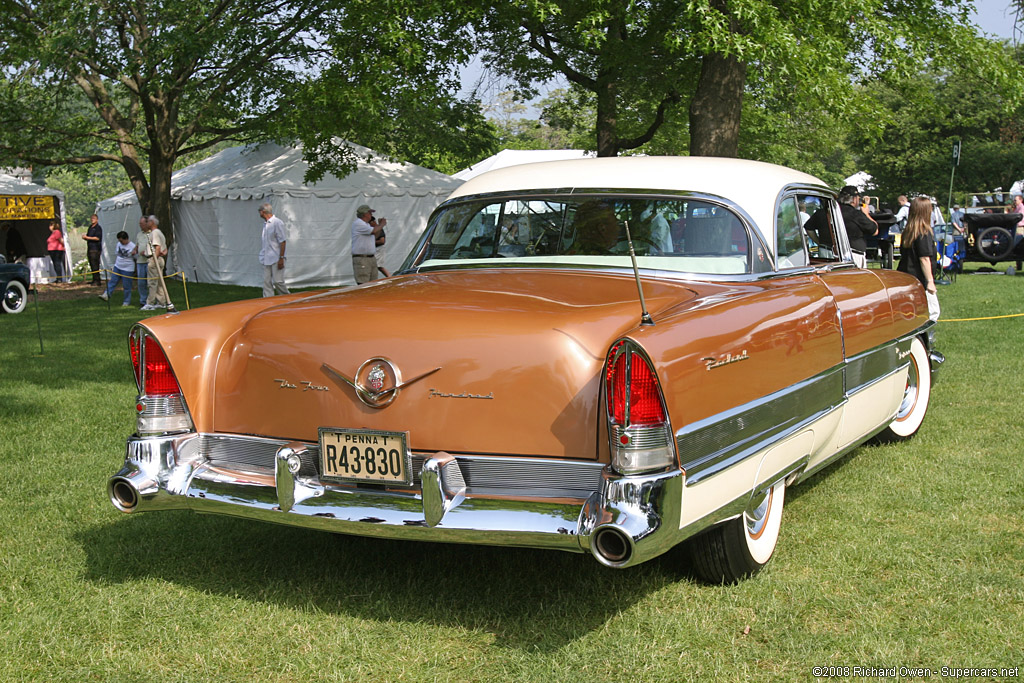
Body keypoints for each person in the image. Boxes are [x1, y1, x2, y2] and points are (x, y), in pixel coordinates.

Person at [897, 196, 939, 322]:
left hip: (906, 276)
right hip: (919, 279)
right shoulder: (923, 233)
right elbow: (924, 259)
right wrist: (930, 281)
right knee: (932, 312)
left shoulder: (908, 231)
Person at [838, 185, 877, 268]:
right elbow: (875, 231)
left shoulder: (828, 211)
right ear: (855, 199)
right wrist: (866, 213)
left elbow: (809, 228)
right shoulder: (856, 214)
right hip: (854, 255)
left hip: (829, 253)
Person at [258, 203, 289, 296]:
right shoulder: (266, 224)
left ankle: (287, 297)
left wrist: (281, 258)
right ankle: (268, 300)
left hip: (276, 257)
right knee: (266, 282)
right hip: (266, 257)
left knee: (278, 281)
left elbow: (282, 241)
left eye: (259, 212)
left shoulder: (277, 223)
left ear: (262, 212)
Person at [142, 215, 172, 310]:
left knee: (152, 281)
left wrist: (154, 258)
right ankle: (161, 301)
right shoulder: (160, 233)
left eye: (148, 221)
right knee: (159, 282)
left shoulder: (155, 233)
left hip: (154, 259)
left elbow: (157, 247)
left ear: (152, 222)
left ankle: (150, 303)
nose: (146, 223)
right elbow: (165, 248)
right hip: (159, 259)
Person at [99, 231, 136, 307]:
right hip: (118, 266)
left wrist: (134, 254)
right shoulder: (119, 244)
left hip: (128, 268)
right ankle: (107, 294)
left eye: (122, 241)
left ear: (126, 239)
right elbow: (117, 253)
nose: (121, 242)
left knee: (127, 286)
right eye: (119, 241)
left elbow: (136, 257)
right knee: (113, 281)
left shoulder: (132, 246)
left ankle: (126, 301)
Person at [351, 204, 386, 284]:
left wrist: (379, 226)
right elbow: (373, 231)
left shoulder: (366, 225)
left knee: (373, 283)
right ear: (364, 214)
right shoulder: (358, 223)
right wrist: (381, 224)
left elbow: (374, 235)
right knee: (363, 283)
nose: (371, 215)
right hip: (362, 259)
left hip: (370, 258)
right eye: (370, 213)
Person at [132, 215, 151, 305]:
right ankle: (143, 300)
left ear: (147, 223)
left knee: (151, 282)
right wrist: (134, 250)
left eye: (142, 224)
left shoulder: (152, 234)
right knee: (141, 282)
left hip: (149, 261)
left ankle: (151, 300)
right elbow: (137, 245)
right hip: (140, 261)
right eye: (140, 224)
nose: (140, 225)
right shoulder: (139, 234)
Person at [82, 213, 103, 285]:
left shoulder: (98, 228)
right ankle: (94, 279)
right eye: (91, 218)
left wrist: (87, 237)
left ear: (97, 220)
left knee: (95, 265)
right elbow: (89, 237)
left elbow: (97, 238)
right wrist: (85, 238)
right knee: (92, 264)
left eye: (94, 218)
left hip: (96, 249)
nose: (92, 220)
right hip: (90, 248)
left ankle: (98, 281)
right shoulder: (90, 227)